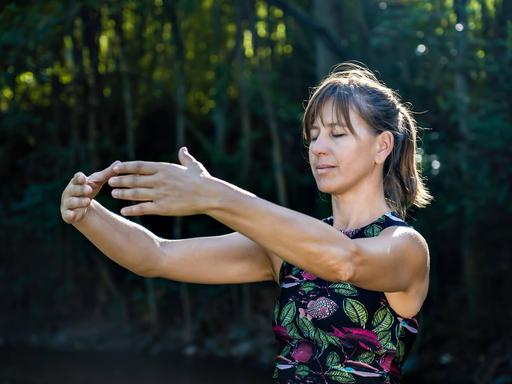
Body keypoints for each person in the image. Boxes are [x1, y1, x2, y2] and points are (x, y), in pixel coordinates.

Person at [60, 62, 432, 383]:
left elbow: (344, 261)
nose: (318, 147)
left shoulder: (405, 247)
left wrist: (212, 195)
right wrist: (87, 215)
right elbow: (155, 255)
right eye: (313, 135)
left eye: (337, 134)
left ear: (382, 146)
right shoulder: (285, 248)